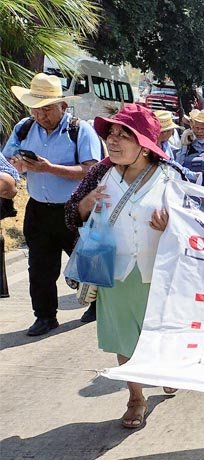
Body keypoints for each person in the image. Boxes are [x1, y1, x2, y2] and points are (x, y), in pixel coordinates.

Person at [64, 104, 181, 428]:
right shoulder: (99, 174)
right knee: (124, 338)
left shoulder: (171, 176)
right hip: (113, 272)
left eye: (123, 135)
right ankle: (136, 397)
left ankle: (165, 367)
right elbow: (71, 213)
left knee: (157, 336)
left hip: (157, 274)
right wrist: (85, 206)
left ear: (144, 143)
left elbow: (191, 230)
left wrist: (170, 227)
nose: (112, 141)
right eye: (111, 134)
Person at [3, 73, 102, 334]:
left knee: (85, 263)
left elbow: (92, 170)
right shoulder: (24, 128)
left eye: (46, 109)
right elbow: (8, 161)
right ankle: (45, 316)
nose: (40, 116)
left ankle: (97, 304)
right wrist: (19, 165)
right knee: (39, 268)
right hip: (38, 209)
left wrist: (49, 169)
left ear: (63, 106)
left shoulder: (80, 130)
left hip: (74, 209)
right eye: (36, 110)